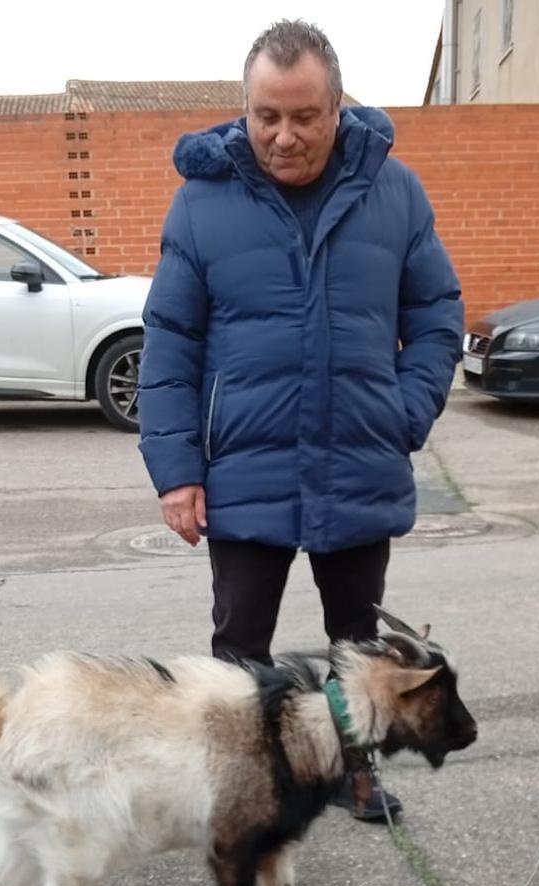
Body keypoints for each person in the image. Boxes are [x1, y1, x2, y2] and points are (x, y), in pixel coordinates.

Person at [138, 17, 463, 822]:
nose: (284, 137)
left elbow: (436, 313)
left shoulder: (396, 192)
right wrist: (177, 471)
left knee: (356, 647)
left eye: (304, 116)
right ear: (244, 110)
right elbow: (170, 341)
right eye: (266, 116)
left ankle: (355, 775)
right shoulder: (203, 203)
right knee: (238, 650)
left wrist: (405, 411)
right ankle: (238, 783)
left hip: (358, 460)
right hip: (245, 470)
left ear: (337, 106)